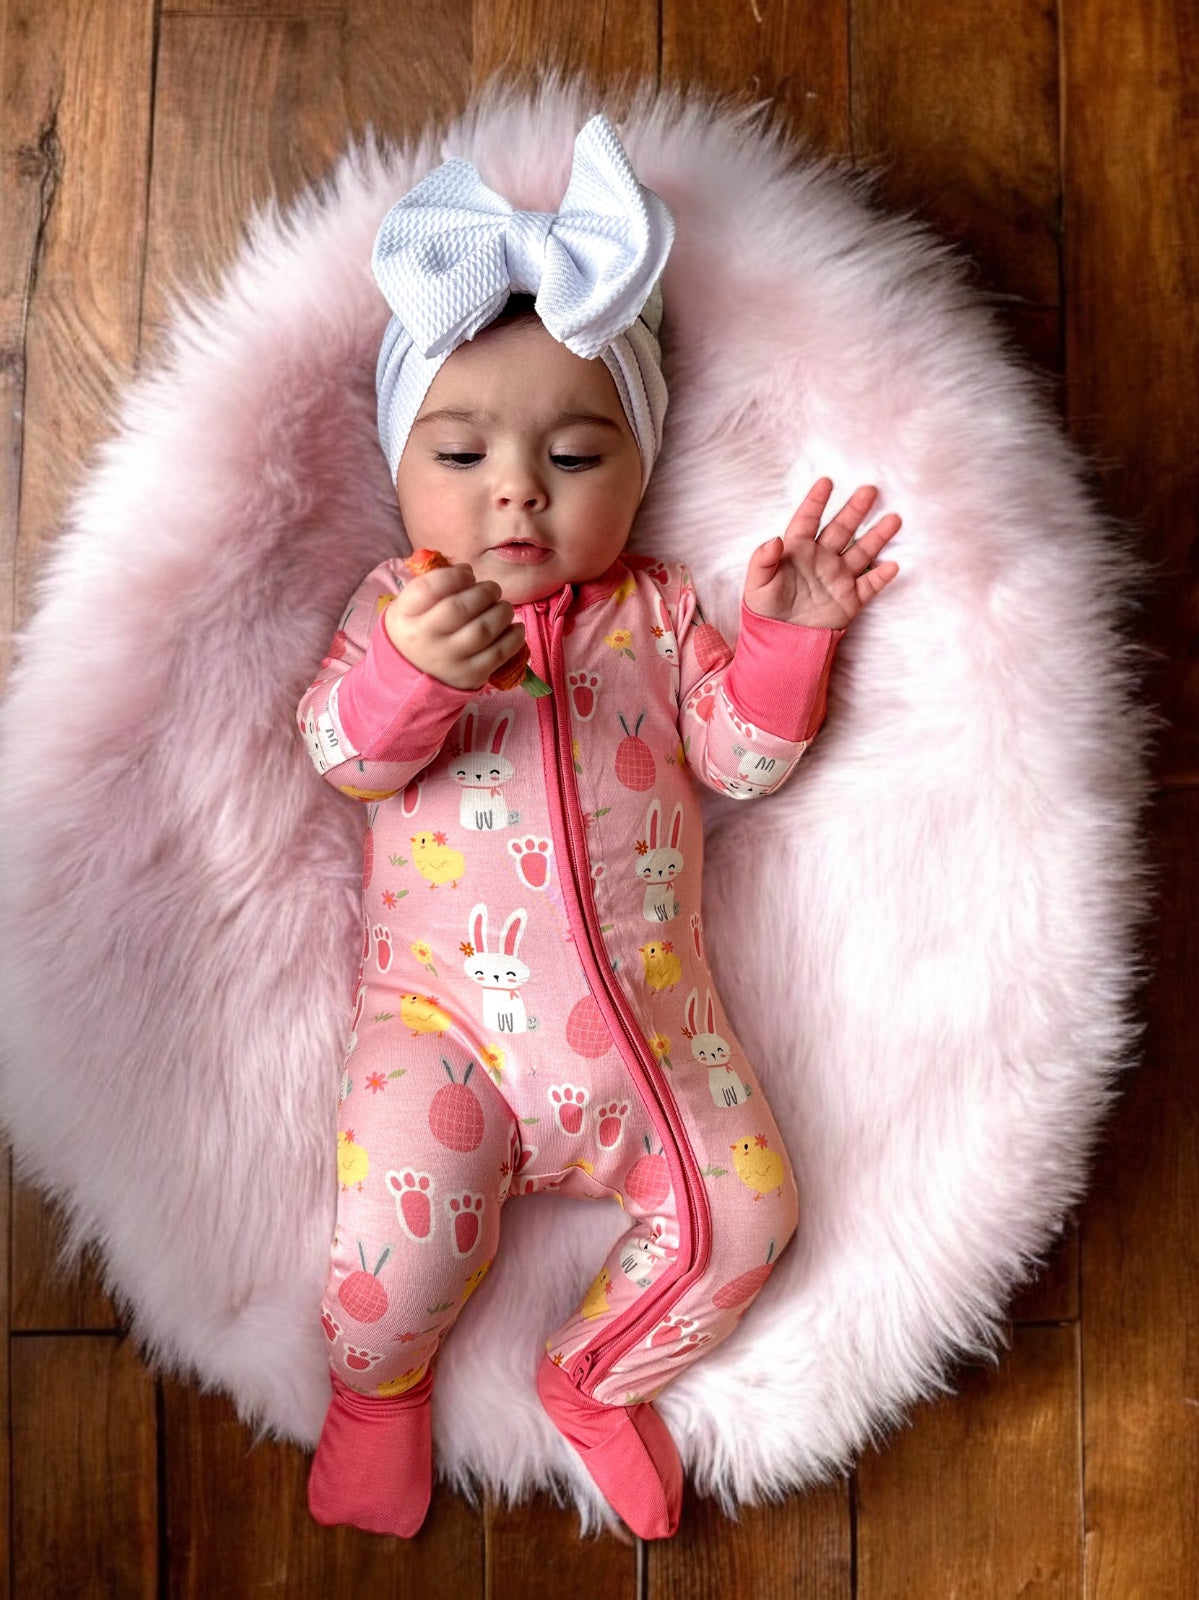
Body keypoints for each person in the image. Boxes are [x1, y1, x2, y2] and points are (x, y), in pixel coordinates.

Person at [299, 114, 899, 1540]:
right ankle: (377, 1399)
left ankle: (593, 1377)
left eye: (573, 453)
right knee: (390, 1248)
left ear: (637, 478)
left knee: (749, 1218)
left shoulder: (655, 611)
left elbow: (741, 762)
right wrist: (409, 677)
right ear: (400, 475)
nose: (517, 486)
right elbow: (338, 752)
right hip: (443, 1031)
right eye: (461, 451)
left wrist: (787, 640)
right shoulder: (395, 610)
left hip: (653, 1036)